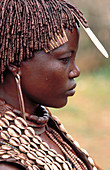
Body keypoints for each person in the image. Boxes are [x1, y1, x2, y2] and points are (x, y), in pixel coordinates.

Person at [0, 0, 103, 169]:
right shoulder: (8, 163)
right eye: (65, 59)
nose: (75, 71)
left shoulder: (46, 127)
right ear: (15, 64)